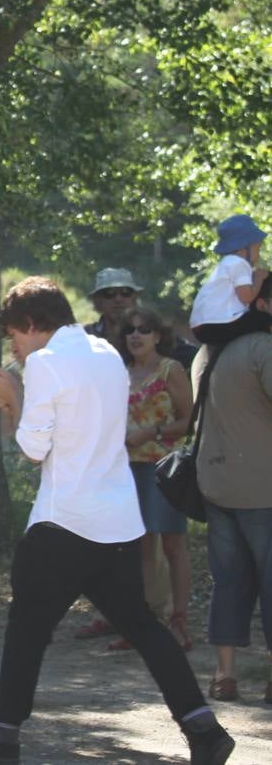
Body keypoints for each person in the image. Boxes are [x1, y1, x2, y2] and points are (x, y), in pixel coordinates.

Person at [0, 277, 233, 765]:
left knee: (26, 631)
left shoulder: (44, 363)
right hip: (117, 519)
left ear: (33, 325)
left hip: (63, 522)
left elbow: (35, 450)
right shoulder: (105, 353)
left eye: (14, 333)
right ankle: (202, 729)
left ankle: (2, 735)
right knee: (144, 627)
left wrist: (8, 398)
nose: (13, 343)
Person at [195, 274, 272, 705]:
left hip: (215, 483)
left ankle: (225, 675)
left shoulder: (209, 352)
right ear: (261, 305)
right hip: (264, 488)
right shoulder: (263, 349)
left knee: (228, 581)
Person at [111, 306, 194, 652]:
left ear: (158, 335)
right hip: (127, 469)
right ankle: (145, 623)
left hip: (164, 468)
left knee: (173, 545)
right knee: (141, 546)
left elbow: (190, 421)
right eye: (130, 329)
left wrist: (152, 432)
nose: (136, 335)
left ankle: (180, 621)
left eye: (144, 329)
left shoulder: (170, 370)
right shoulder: (121, 373)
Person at [190, 214, 267, 346]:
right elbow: (247, 297)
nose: (258, 254)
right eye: (258, 249)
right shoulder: (239, 263)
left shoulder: (227, 263)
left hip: (203, 325)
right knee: (263, 319)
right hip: (217, 324)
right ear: (245, 248)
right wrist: (259, 278)